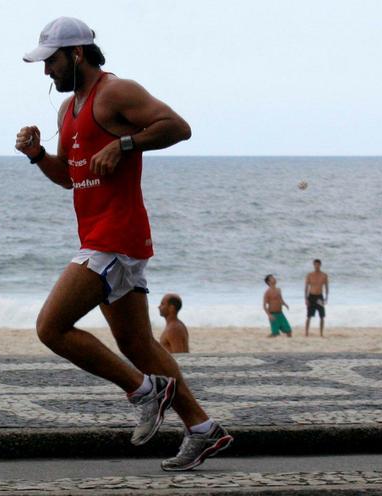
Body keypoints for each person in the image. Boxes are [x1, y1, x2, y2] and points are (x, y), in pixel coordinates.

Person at [15, 17, 232, 471]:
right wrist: (37, 156)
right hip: (102, 235)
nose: (45, 72)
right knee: (138, 344)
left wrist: (127, 144)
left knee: (50, 328)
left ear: (76, 54)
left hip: (115, 237)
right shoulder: (67, 110)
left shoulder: (115, 92)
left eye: (51, 61)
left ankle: (143, 391)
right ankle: (202, 429)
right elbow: (71, 180)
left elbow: (179, 127)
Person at [304, 259, 329, 337]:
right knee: (309, 316)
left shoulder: (324, 275)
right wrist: (306, 298)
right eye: (315, 264)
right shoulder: (310, 275)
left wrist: (326, 298)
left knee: (322, 316)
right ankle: (306, 333)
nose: (317, 266)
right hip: (311, 296)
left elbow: (327, 287)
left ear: (320, 265)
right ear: (313, 265)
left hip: (319, 297)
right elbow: (306, 287)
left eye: (318, 265)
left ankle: (321, 334)